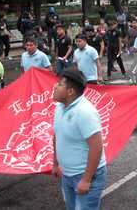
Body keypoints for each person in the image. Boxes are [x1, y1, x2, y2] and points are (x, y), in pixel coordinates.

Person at [52, 69, 107, 210]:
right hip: (68, 174)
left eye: (59, 85)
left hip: (86, 175)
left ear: (70, 92)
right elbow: (57, 135)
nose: (54, 87)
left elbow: (97, 147)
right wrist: (56, 163)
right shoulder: (59, 107)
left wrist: (86, 180)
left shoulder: (85, 112)